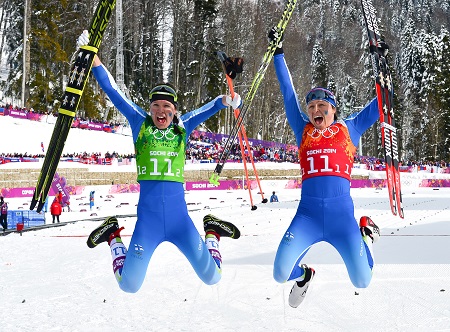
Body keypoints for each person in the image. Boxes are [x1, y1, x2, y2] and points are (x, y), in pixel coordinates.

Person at [77, 30, 242, 293]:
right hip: (148, 222)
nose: (161, 111)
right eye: (156, 106)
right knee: (129, 285)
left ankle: (212, 231)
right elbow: (113, 90)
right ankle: (112, 235)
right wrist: (94, 58)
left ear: (174, 110)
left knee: (213, 277)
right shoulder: (139, 123)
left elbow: (211, 106)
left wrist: (227, 100)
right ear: (150, 108)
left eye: (167, 106)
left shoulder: (183, 126)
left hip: (180, 222)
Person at [268, 27, 381, 308]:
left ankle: (365, 235)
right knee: (280, 272)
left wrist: (382, 68)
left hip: (342, 220)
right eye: (312, 106)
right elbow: (287, 92)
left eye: (322, 105)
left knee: (362, 281)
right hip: (306, 217)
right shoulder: (302, 129)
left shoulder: (349, 127)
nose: (316, 110)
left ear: (333, 109)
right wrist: (278, 54)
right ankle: (305, 275)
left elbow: (381, 104)